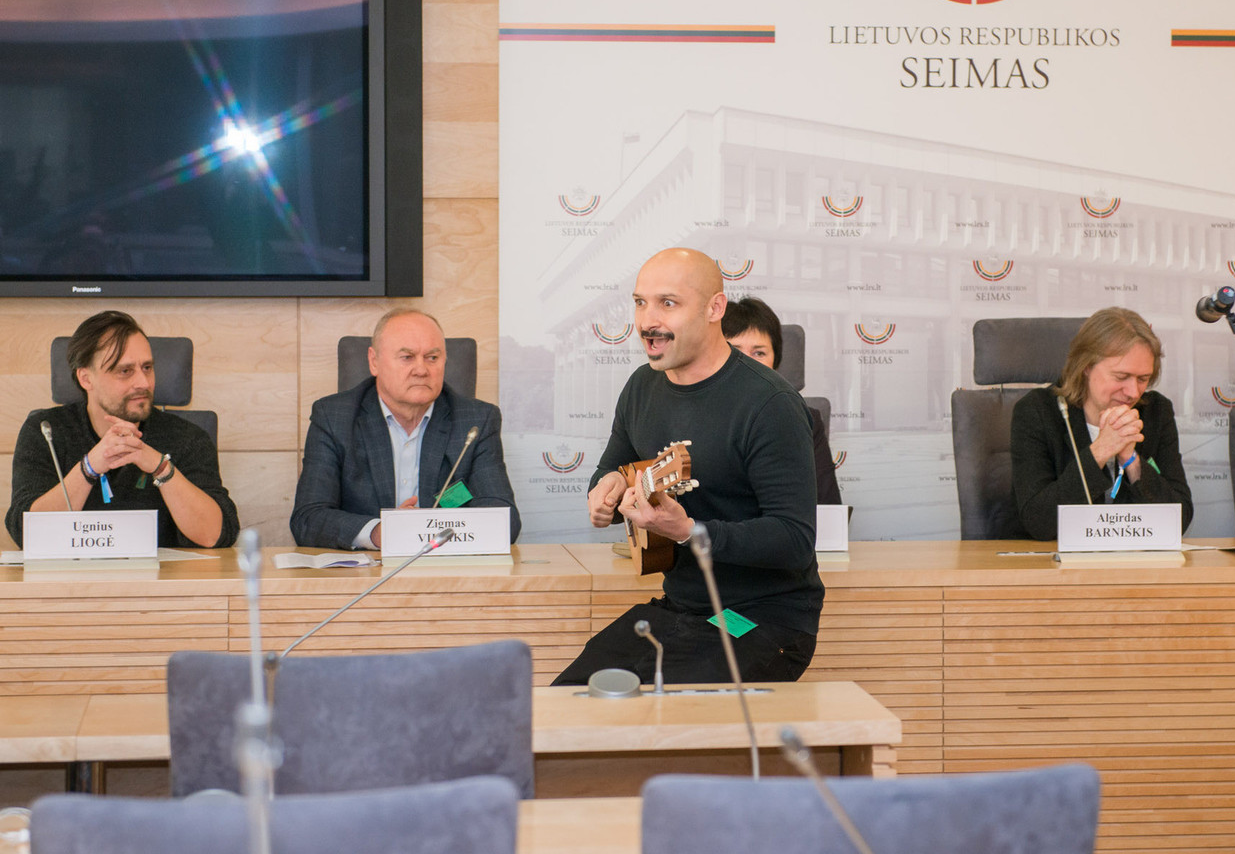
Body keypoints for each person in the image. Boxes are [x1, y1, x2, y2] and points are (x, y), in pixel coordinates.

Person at [553, 249, 822, 685]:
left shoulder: (770, 404)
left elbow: (794, 540)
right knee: (567, 700)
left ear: (715, 308)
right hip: (680, 609)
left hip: (760, 619)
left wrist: (688, 531)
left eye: (668, 303)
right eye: (640, 303)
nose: (648, 321)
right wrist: (605, 490)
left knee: (664, 711)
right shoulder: (641, 386)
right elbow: (612, 469)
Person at [290, 309, 521, 550]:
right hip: (367, 567)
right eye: (407, 357)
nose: (421, 370)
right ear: (374, 362)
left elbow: (505, 521)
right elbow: (307, 519)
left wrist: (424, 530)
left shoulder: (475, 422)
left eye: (432, 357)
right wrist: (380, 533)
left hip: (446, 566)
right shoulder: (334, 418)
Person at [6, 311, 239, 548]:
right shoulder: (46, 432)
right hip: (71, 573)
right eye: (125, 371)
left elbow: (217, 535)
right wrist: (90, 467)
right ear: (86, 379)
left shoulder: (187, 437)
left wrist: (160, 468)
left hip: (162, 573)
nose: (143, 383)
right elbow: (26, 533)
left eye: (147, 367)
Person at [1010, 307, 1193, 540]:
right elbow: (1039, 521)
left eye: (1143, 379)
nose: (1133, 392)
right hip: (1054, 558)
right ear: (1086, 366)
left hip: (1134, 558)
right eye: (1121, 377)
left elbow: (1179, 520)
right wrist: (1100, 450)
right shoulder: (1037, 411)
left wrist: (1131, 460)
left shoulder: (1156, 412)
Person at [721, 296, 842, 505]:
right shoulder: (689, 416)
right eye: (733, 351)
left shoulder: (806, 420)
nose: (747, 363)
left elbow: (826, 508)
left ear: (775, 362)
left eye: (759, 353)